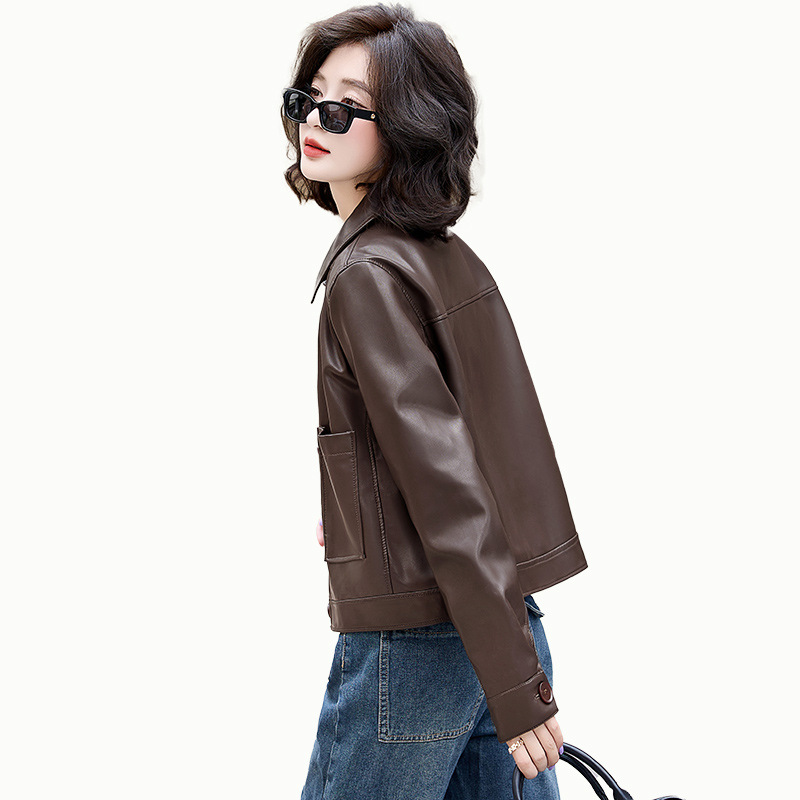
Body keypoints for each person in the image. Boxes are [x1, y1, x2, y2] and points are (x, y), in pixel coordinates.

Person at [281, 4, 589, 798]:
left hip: (417, 645)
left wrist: (517, 690)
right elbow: (462, 454)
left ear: (406, 126)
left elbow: (451, 491)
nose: (316, 119)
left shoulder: (367, 276)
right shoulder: (443, 258)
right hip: (496, 619)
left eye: (346, 106)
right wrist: (363, 513)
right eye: (309, 97)